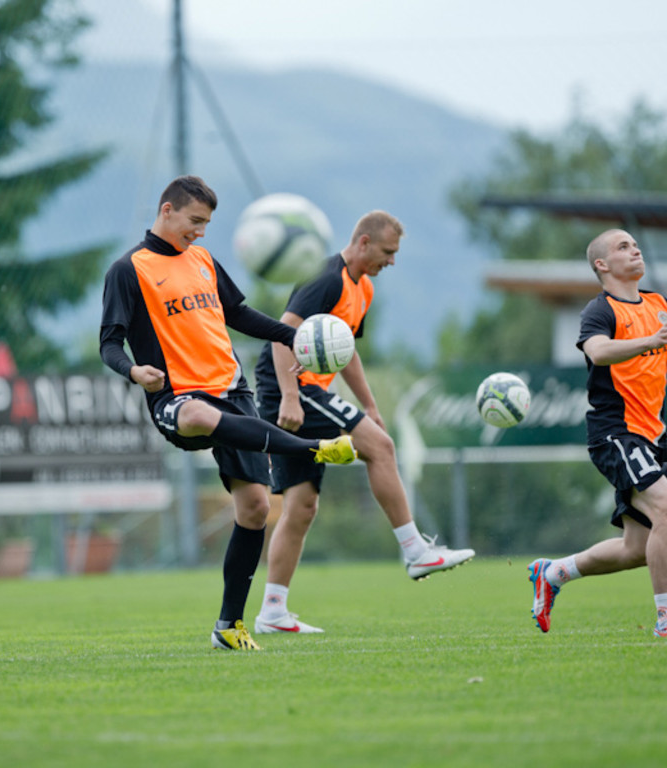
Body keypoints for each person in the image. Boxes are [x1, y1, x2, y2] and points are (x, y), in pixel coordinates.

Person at [100, 175, 357, 651]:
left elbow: (237, 314)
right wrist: (134, 372)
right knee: (196, 416)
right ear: (167, 210)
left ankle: (228, 627)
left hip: (231, 391)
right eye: (194, 221)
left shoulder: (202, 260)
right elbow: (109, 342)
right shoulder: (128, 269)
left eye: (206, 224)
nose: (200, 232)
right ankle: (313, 448)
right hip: (176, 397)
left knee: (257, 508)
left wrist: (289, 336)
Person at [253, 210, 475, 635]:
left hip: (308, 389)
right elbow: (284, 333)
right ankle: (414, 550)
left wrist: (370, 405)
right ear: (363, 243)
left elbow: (345, 349)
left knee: (301, 506)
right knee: (381, 448)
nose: (391, 261)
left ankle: (272, 612)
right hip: (293, 387)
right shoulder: (326, 278)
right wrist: (288, 396)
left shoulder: (364, 288)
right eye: (388, 252)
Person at [529, 228, 667, 638]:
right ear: (601, 265)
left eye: (636, 245)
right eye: (623, 246)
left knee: (637, 548)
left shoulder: (659, 305)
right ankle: (665, 621)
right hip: (617, 433)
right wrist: (650, 341)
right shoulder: (600, 310)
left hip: (654, 435)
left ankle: (555, 573)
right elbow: (598, 351)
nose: (635, 250)